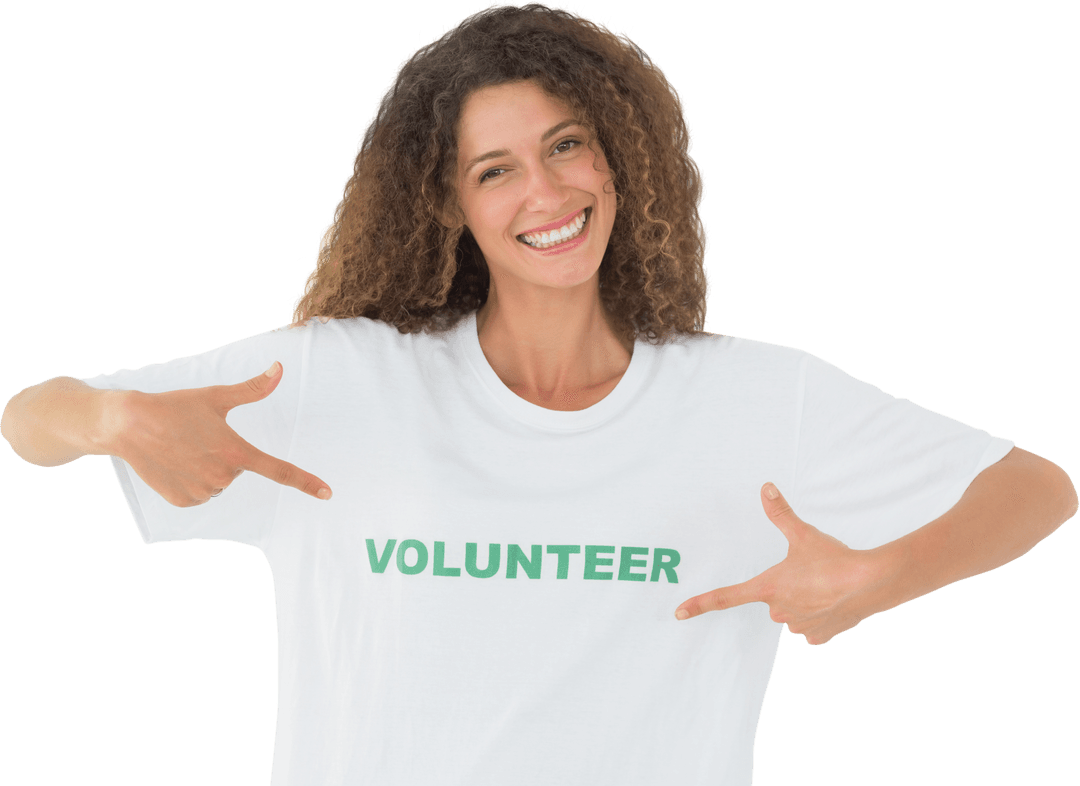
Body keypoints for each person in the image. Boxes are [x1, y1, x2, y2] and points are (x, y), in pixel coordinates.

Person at [1, 2, 1075, 785]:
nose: (547, 191)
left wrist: (882, 578)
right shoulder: (343, 376)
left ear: (622, 158)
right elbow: (26, 420)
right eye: (496, 168)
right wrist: (112, 417)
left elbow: (1038, 488)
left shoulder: (757, 396)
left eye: (567, 147)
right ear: (447, 202)